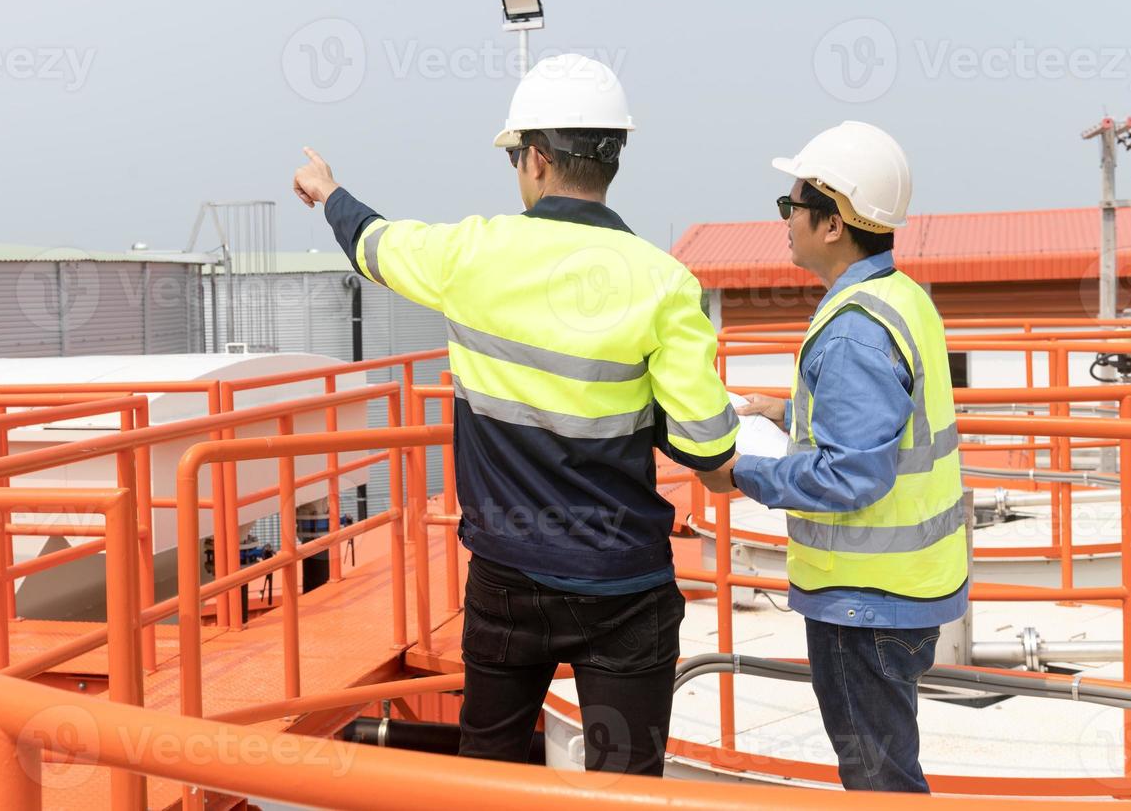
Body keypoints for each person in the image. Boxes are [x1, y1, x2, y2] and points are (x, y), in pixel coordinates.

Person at [292, 53, 738, 776]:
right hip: (623, 584)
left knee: (487, 776)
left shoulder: (471, 254)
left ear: (534, 158)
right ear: (612, 158)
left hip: (507, 577)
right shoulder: (664, 282)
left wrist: (330, 191)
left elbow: (373, 244)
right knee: (626, 789)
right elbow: (706, 444)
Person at [730, 121, 968, 792]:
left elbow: (852, 475)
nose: (785, 221)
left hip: (863, 605)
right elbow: (886, 425)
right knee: (886, 770)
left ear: (832, 223)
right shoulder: (901, 297)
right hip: (906, 590)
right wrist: (790, 414)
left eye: (792, 207)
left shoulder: (853, 330)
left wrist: (739, 472)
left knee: (879, 784)